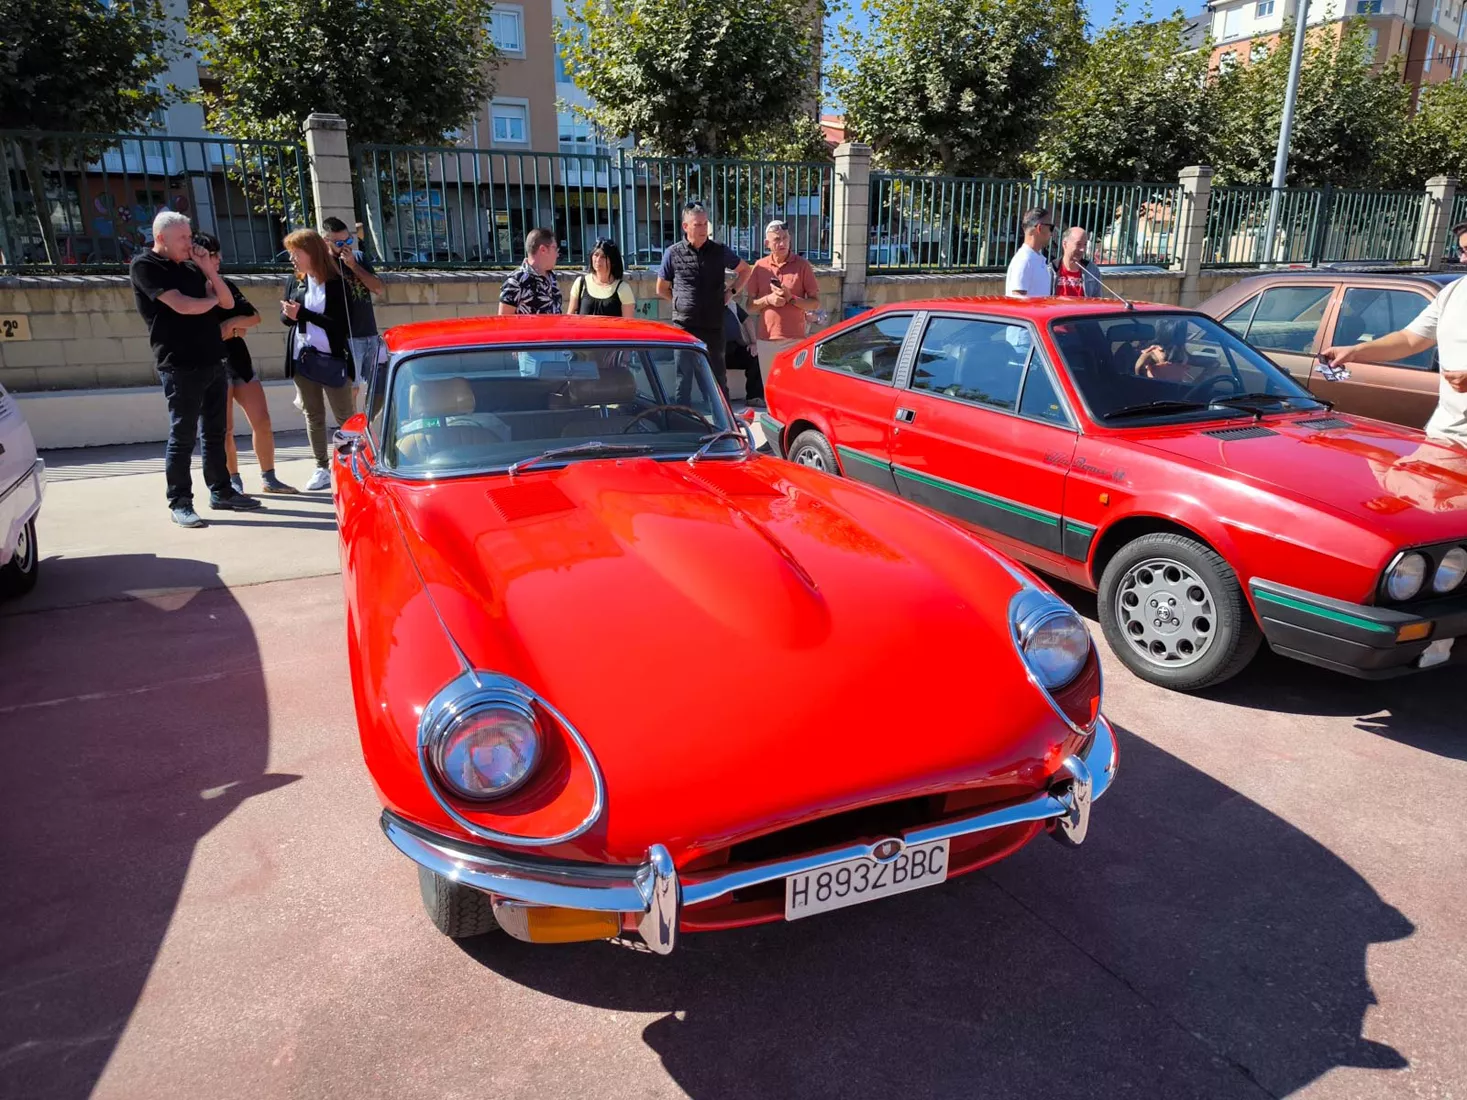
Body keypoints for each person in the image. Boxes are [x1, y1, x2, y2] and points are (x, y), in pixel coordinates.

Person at [130, 211, 262, 527]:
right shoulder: (146, 266)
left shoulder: (192, 267)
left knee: (215, 432)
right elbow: (182, 306)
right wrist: (208, 301)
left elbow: (227, 303)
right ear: (160, 237)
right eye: (183, 238)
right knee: (183, 435)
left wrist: (207, 271)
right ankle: (180, 501)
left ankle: (222, 492)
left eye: (190, 236)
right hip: (179, 364)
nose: (190, 243)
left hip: (214, 360)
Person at [192, 233, 298, 497]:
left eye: (218, 255)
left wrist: (232, 325)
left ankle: (269, 478)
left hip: (240, 361)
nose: (219, 260)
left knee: (262, 421)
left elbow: (254, 316)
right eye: (214, 255)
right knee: (225, 428)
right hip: (213, 366)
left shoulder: (224, 284)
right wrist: (229, 328)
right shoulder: (190, 287)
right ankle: (233, 479)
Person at [1321, 277, 1467, 448]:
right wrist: (1355, 352)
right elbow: (1409, 339)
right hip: (1445, 436)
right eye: (1462, 251)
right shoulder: (1454, 290)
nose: (1463, 259)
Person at [280, 228, 356, 492]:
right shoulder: (296, 282)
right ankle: (321, 467)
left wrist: (304, 314)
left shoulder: (336, 283)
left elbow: (340, 326)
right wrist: (291, 315)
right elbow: (286, 318)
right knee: (313, 415)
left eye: (296, 253)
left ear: (311, 253)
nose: (292, 259)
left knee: (345, 416)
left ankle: (353, 462)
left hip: (332, 358)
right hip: (303, 358)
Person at [656, 202, 752, 402]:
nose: (703, 229)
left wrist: (731, 291)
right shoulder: (673, 253)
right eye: (697, 224)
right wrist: (680, 301)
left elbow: (745, 270)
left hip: (714, 325)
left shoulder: (719, 251)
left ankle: (724, 424)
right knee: (684, 379)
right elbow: (661, 288)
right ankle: (682, 423)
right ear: (685, 226)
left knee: (717, 378)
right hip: (684, 326)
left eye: (705, 224)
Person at [746, 219, 819, 408]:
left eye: (785, 238)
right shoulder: (759, 267)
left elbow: (814, 303)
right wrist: (768, 300)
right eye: (777, 239)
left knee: (794, 393)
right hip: (767, 340)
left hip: (795, 340)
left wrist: (791, 298)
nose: (782, 243)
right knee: (771, 392)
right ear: (766, 244)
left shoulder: (802, 265)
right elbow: (749, 306)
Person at [321, 216, 385, 390]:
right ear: (326, 241)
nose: (346, 246)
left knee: (379, 387)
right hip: (347, 338)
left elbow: (378, 289)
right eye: (339, 243)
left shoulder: (359, 257)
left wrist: (354, 266)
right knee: (351, 388)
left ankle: (369, 417)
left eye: (348, 240)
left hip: (369, 332)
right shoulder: (323, 266)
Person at [499, 228, 563, 315]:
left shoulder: (552, 278)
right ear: (543, 249)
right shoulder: (515, 282)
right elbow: (504, 321)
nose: (557, 254)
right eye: (555, 249)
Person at [568, 238, 635, 317]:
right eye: (596, 255)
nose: (598, 260)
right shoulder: (580, 284)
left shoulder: (623, 289)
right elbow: (569, 318)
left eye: (603, 257)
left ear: (612, 261)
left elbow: (627, 324)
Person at [1006, 208, 1055, 298]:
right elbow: (1018, 302)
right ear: (1040, 228)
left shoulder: (1035, 259)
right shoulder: (1024, 260)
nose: (1051, 234)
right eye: (1051, 228)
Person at [725, 299, 762, 406]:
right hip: (715, 351)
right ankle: (720, 400)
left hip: (735, 348)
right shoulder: (705, 304)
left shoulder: (731, 304)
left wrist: (754, 343)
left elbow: (747, 320)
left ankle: (754, 397)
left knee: (754, 355)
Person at [1053, 227, 1103, 298]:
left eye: (1085, 244)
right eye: (1078, 244)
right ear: (1065, 244)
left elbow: (1097, 301)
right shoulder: (1052, 269)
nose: (1082, 249)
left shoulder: (1092, 271)